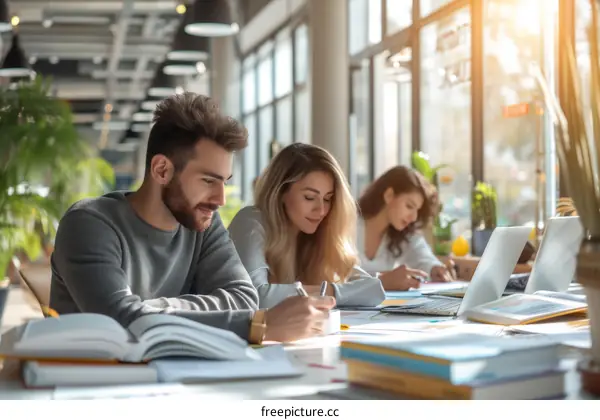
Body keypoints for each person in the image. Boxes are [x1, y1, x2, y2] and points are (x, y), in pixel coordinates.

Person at [50, 93, 335, 344]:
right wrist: (255, 326)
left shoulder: (202, 224)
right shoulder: (88, 224)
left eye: (224, 182)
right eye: (209, 180)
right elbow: (118, 321)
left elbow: (243, 298)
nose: (221, 198)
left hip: (173, 378)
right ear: (162, 170)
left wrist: (145, 309)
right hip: (90, 385)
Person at [228, 143, 385, 309]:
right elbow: (255, 296)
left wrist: (321, 292)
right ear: (280, 192)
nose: (322, 210)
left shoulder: (317, 233)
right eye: (310, 197)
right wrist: (329, 292)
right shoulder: (250, 222)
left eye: (327, 198)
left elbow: (373, 290)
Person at [357, 165, 455, 290]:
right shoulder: (348, 223)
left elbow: (423, 256)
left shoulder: (401, 233)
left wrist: (435, 269)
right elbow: (336, 279)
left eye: (417, 210)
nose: (414, 217)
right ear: (389, 195)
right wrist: (381, 281)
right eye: (409, 206)